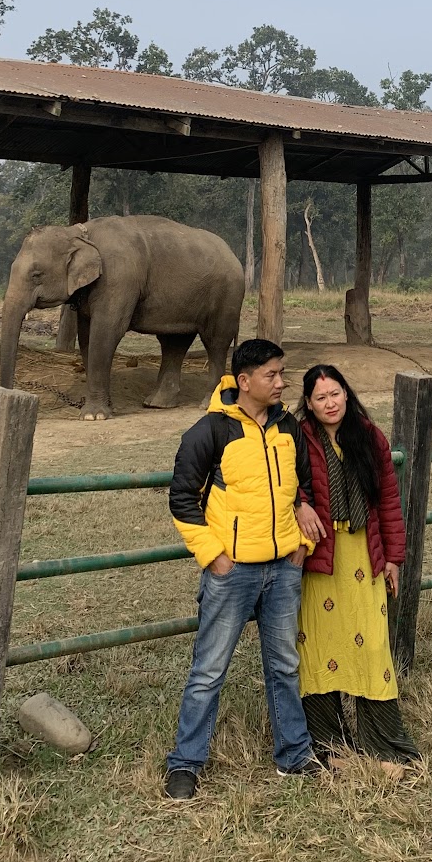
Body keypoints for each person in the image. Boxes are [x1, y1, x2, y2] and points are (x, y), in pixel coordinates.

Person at [164, 338, 329, 799]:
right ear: (245, 381)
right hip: (232, 572)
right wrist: (214, 557)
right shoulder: (209, 432)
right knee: (209, 671)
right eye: (272, 375)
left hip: (283, 570)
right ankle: (186, 764)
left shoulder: (289, 428)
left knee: (285, 666)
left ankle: (294, 755)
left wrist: (299, 544)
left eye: (282, 373)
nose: (281, 382)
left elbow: (304, 488)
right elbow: (182, 501)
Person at [295, 364, 422, 769]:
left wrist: (394, 559)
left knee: (371, 646)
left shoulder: (369, 437)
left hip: (364, 555)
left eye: (335, 394)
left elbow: (388, 501)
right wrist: (301, 505)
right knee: (318, 647)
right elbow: (285, 484)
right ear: (309, 405)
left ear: (346, 394)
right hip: (319, 558)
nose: (330, 403)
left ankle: (385, 746)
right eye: (320, 398)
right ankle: (330, 746)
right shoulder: (299, 439)